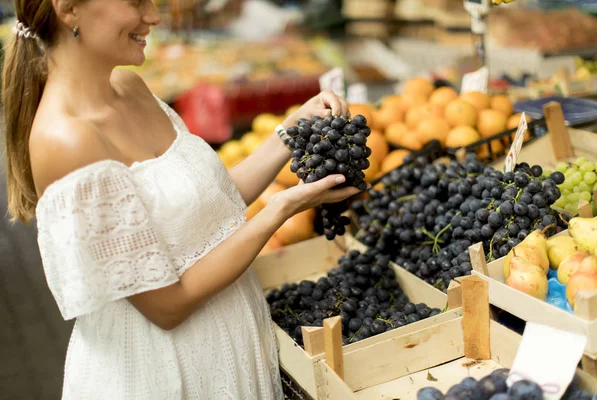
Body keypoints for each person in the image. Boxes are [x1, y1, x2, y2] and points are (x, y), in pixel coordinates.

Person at [2, 1, 363, 399]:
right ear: (69, 9)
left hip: (226, 350)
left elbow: (211, 206)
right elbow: (166, 307)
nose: (154, 16)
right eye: (137, 1)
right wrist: (281, 209)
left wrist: (291, 131)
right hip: (163, 375)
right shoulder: (67, 140)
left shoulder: (130, 88)